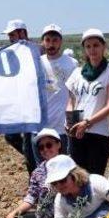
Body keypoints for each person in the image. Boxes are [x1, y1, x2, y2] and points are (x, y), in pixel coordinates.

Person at [65, 29, 109, 175]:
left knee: (95, 178)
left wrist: (87, 123)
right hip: (77, 133)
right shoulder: (77, 73)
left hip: (98, 134)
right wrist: (69, 121)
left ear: (104, 46)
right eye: (88, 46)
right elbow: (72, 101)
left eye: (96, 45)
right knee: (79, 177)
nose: (92, 50)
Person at [3, 128, 62, 218]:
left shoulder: (70, 167)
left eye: (49, 145)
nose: (45, 149)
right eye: (41, 147)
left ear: (58, 144)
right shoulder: (38, 172)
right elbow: (31, 198)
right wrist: (12, 214)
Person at [1, 19, 37, 174]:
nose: (10, 38)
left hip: (34, 107)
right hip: (19, 105)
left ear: (23, 33)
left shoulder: (36, 52)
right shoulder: (12, 54)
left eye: (12, 34)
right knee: (11, 136)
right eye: (9, 35)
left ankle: (35, 180)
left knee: (30, 144)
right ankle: (38, 158)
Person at [38, 24, 77, 159]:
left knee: (63, 168)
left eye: (55, 40)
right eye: (48, 40)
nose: (51, 44)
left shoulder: (72, 64)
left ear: (60, 42)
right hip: (40, 127)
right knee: (42, 169)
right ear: (43, 42)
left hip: (62, 127)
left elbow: (75, 95)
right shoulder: (36, 63)